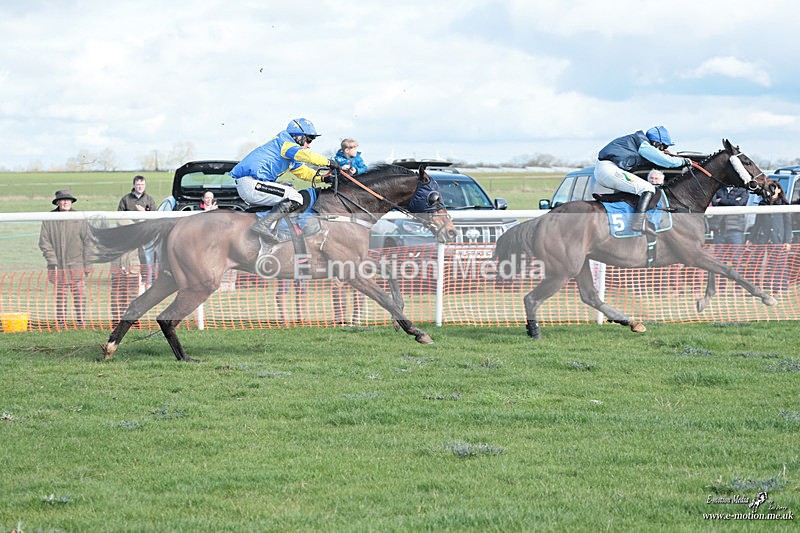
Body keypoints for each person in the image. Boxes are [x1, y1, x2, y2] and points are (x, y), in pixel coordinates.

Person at [230, 118, 339, 242]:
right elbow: (306, 156)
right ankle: (263, 225)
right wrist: (328, 162)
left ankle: (274, 229)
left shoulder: (290, 153)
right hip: (252, 184)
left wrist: (323, 178)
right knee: (296, 197)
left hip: (253, 184)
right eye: (309, 139)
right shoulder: (286, 144)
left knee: (290, 193)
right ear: (298, 136)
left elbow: (303, 172)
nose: (309, 145)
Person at [595, 126, 693, 232]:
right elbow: (664, 160)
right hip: (608, 169)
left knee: (636, 189)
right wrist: (683, 161)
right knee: (648, 189)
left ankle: (607, 198)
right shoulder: (643, 144)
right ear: (655, 143)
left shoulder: (638, 141)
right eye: (663, 146)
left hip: (606, 169)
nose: (664, 150)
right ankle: (638, 223)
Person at [38, 190, 93, 327]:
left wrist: (88, 264)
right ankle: (61, 322)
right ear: (57, 202)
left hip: (77, 264)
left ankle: (81, 321)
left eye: (68, 200)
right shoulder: (49, 218)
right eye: (63, 200)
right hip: (57, 266)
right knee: (60, 296)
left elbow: (88, 242)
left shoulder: (79, 218)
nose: (66, 202)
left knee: (79, 295)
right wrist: (52, 261)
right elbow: (44, 242)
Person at [118, 175, 157, 287]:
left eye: (142, 185)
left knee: (146, 257)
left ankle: (147, 280)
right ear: (134, 185)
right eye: (138, 184)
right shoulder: (126, 199)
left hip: (145, 235)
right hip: (130, 236)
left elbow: (155, 217)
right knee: (130, 257)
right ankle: (131, 280)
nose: (140, 187)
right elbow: (119, 217)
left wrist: (144, 212)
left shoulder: (149, 200)